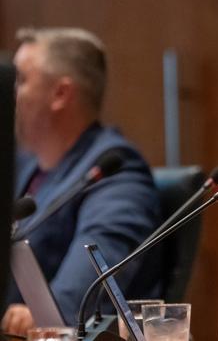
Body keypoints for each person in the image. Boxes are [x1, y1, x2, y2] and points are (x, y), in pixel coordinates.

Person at [1, 28, 162, 335]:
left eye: (20, 81)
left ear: (60, 94)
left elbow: (73, 305)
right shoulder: (24, 166)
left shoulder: (116, 175)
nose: (9, 94)